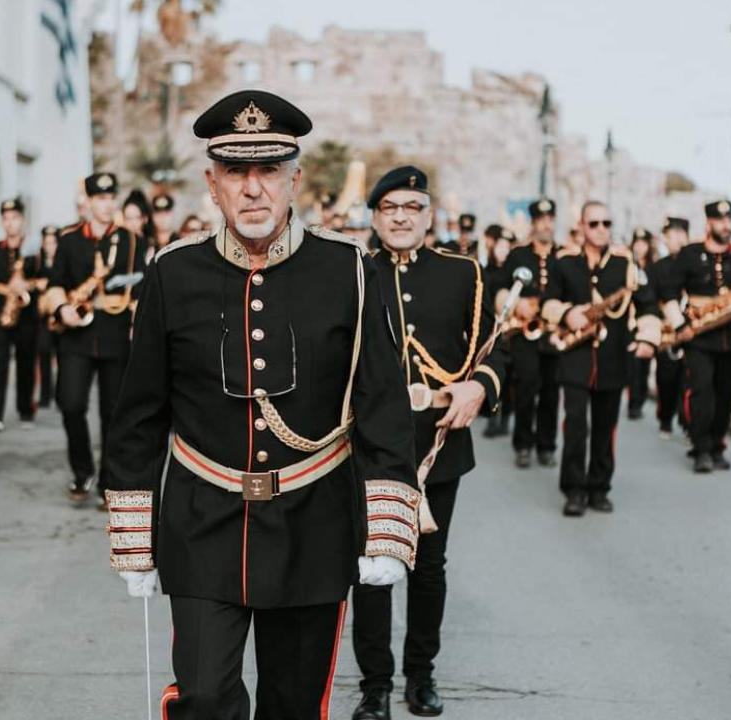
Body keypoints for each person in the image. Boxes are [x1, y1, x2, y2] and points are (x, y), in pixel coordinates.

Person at [103, 90, 420, 720]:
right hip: (201, 524)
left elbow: (381, 405)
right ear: (211, 184)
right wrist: (135, 536)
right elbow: (140, 412)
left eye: (269, 170)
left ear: (295, 179)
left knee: (294, 706)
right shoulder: (172, 273)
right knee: (205, 697)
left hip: (314, 525)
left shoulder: (353, 272)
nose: (253, 188)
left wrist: (386, 530)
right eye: (235, 171)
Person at [351, 167, 506, 720]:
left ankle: (421, 676)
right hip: (369, 446)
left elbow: (494, 347)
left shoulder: (463, 273)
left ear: (428, 216)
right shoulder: (354, 275)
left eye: (412, 207)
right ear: (374, 216)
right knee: (372, 567)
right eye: (389, 206)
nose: (400, 216)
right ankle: (375, 687)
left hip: (439, 442)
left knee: (428, 567)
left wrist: (479, 386)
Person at [542, 202, 660, 516]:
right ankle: (574, 490)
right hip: (575, 358)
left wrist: (649, 337)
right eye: (594, 223)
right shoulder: (563, 261)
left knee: (606, 428)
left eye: (607, 223)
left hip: (613, 359)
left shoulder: (626, 262)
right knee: (576, 426)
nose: (601, 229)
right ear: (581, 225)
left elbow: (647, 303)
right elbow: (546, 302)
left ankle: (599, 488)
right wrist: (568, 313)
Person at [46, 173, 147, 507]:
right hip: (77, 336)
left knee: (113, 413)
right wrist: (62, 308)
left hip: (116, 335)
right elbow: (55, 283)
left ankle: (109, 480)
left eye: (110, 197)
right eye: (100, 198)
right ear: (88, 202)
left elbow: (142, 290)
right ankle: (82, 470)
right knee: (71, 404)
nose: (107, 204)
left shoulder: (132, 241)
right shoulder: (69, 239)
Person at [660, 200, 731, 472]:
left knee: (727, 395)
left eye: (729, 221)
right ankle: (700, 447)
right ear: (709, 223)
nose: (726, 226)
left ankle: (717, 444)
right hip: (700, 337)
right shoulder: (690, 253)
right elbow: (668, 292)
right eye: (720, 221)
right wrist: (680, 325)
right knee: (701, 391)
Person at [0, 198, 45, 431]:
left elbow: (47, 279)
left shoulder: (35, 251)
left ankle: (26, 409)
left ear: (23, 220)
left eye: (14, 218)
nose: (10, 223)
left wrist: (28, 285)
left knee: (26, 362)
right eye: (6, 219)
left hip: (26, 314)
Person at [502, 199, 561, 468]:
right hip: (525, 334)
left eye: (550, 220)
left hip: (553, 333)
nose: (547, 225)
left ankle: (546, 445)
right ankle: (522, 444)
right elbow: (500, 287)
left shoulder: (564, 256)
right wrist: (517, 303)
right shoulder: (518, 256)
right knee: (525, 387)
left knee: (551, 391)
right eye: (541, 220)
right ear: (534, 223)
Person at [651, 217, 690, 437]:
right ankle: (665, 418)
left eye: (678, 233)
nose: (674, 239)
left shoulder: (694, 261)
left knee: (690, 381)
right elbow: (651, 298)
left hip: (692, 330)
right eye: (669, 234)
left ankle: (688, 424)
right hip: (667, 332)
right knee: (666, 379)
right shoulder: (659, 268)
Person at [483, 225, 517, 439]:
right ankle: (492, 418)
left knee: (511, 378)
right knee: (493, 373)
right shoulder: (486, 272)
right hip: (492, 328)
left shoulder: (515, 274)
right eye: (500, 246)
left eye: (508, 247)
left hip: (512, 330)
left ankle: (505, 419)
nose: (503, 251)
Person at [626, 227, 658, 420]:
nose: (640, 247)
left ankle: (639, 400)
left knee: (644, 363)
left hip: (648, 320)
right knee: (633, 364)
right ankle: (632, 403)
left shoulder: (654, 268)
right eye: (637, 243)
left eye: (643, 244)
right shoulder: (628, 265)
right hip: (631, 320)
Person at [36, 225, 60, 407]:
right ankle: (45, 394)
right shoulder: (37, 263)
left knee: (62, 356)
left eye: (53, 242)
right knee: (44, 352)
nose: (49, 246)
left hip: (59, 316)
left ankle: (60, 394)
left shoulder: (63, 262)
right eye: (47, 242)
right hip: (44, 317)